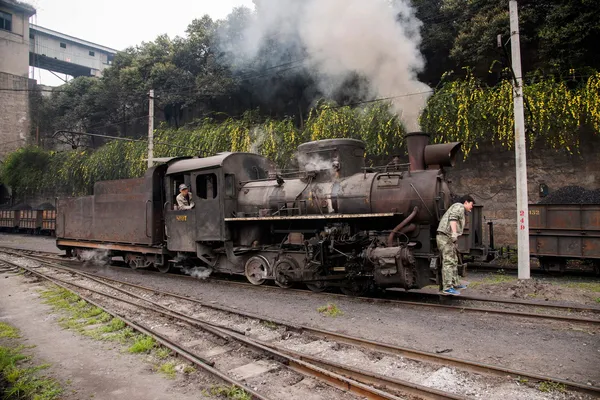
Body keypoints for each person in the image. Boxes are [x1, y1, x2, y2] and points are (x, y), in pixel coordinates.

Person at [436, 195, 475, 296]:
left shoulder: (460, 209)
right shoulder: (459, 206)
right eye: (471, 204)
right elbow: (453, 219)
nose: (472, 207)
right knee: (449, 261)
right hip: (446, 237)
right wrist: (454, 233)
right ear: (466, 202)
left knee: (454, 260)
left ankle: (454, 283)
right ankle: (447, 288)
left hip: (448, 238)